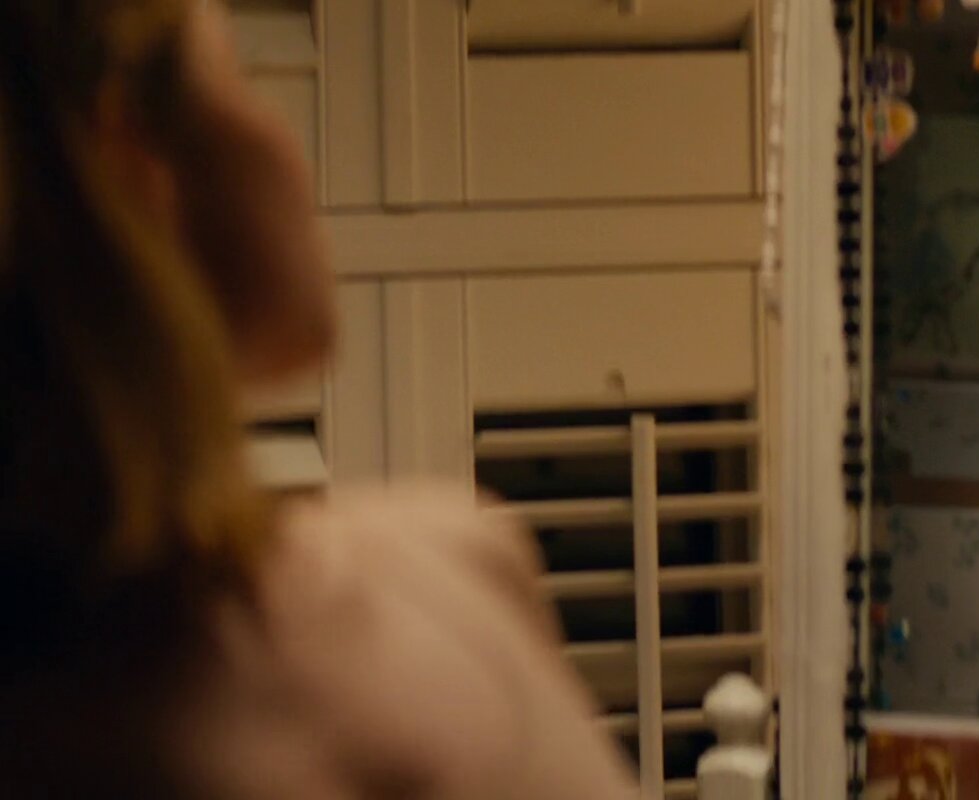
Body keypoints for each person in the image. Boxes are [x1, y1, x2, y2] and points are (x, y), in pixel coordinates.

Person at [0, 1, 637, 797]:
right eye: (240, 76)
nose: (287, 139)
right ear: (129, 160)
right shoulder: (443, 574)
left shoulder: (466, 555)